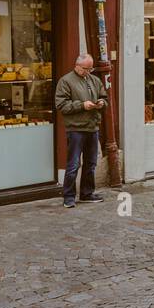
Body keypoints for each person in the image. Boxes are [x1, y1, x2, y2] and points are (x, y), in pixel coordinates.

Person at [54, 53, 107, 207]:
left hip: (92, 127)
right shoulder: (65, 81)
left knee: (91, 163)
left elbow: (105, 96)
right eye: (85, 69)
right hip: (76, 128)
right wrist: (82, 105)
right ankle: (69, 196)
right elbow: (61, 105)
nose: (88, 72)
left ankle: (87, 193)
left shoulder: (94, 80)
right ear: (77, 66)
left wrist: (102, 102)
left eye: (91, 69)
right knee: (73, 164)